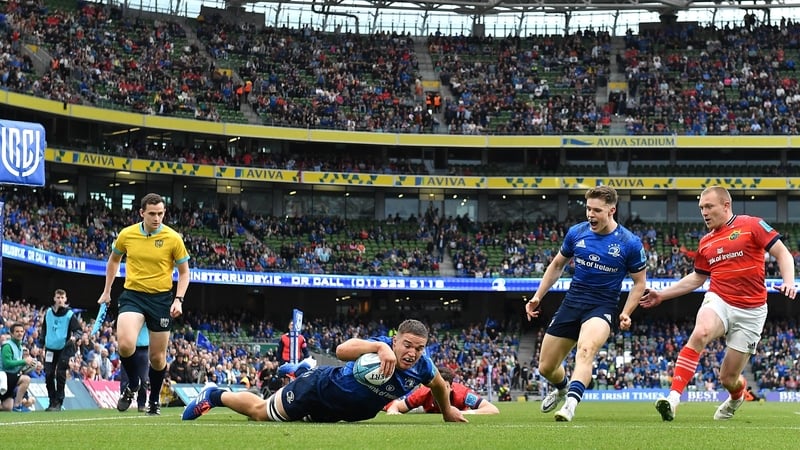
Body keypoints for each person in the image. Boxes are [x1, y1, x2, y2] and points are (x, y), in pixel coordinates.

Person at [639, 186, 796, 421]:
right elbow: (697, 277)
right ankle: (672, 398)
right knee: (700, 332)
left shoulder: (752, 225)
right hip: (719, 299)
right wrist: (663, 295)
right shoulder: (705, 242)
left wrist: (789, 282)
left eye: (709, 206)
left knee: (728, 378)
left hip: (752, 311)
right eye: (701, 207)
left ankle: (736, 396)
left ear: (726, 206)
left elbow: (783, 254)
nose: (704, 212)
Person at [181, 319, 468, 423]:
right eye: (407, 345)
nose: (412, 353)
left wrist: (447, 412)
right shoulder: (379, 346)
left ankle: (301, 369)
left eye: (419, 348)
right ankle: (215, 395)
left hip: (340, 414)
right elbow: (342, 351)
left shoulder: (423, 365)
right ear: (395, 340)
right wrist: (377, 348)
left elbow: (440, 386)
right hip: (319, 389)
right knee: (260, 412)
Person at [524, 185, 647, 422]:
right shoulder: (576, 233)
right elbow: (557, 265)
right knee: (546, 367)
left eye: (597, 210)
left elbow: (639, 283)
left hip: (602, 307)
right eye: (588, 209)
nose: (590, 215)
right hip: (572, 303)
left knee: (586, 350)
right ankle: (562, 388)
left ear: (612, 210)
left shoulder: (629, 243)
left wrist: (626, 312)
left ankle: (570, 404)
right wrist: (538, 295)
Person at [97, 193, 190, 416]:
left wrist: (178, 299)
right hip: (133, 295)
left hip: (161, 300)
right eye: (152, 214)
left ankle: (154, 400)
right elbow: (114, 260)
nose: (157, 218)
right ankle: (133, 385)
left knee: (157, 359)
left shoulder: (173, 238)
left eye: (160, 213)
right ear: (142, 213)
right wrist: (107, 291)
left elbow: (184, 272)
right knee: (125, 344)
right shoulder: (127, 234)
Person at [384, 366, 499, 415]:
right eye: (437, 386)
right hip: (424, 409)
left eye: (444, 387)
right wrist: (393, 411)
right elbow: (398, 406)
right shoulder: (424, 392)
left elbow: (492, 409)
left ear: (451, 386)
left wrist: (464, 413)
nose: (440, 390)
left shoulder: (462, 393)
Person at [41, 288, 83, 411]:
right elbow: (44, 329)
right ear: (54, 298)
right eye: (58, 297)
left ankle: (59, 401)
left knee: (60, 373)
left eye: (62, 298)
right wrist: (40, 344)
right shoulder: (48, 312)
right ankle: (51, 400)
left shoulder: (70, 315)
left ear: (65, 299)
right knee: (48, 374)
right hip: (50, 348)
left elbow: (78, 330)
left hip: (64, 348)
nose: (60, 300)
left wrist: (75, 337)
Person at [0, 323, 36, 412]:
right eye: (17, 331)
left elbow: (16, 366)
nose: (20, 333)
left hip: (10, 376)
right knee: (26, 379)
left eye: (21, 331)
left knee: (7, 407)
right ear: (11, 334)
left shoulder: (19, 346)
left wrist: (26, 366)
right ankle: (17, 405)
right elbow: (6, 364)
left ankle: (14, 405)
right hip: (3, 377)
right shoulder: (7, 346)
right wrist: (24, 361)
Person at [118, 325, 150, 413]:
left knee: (144, 379)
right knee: (126, 378)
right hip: (128, 347)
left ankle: (142, 404)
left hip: (143, 349)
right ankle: (124, 399)